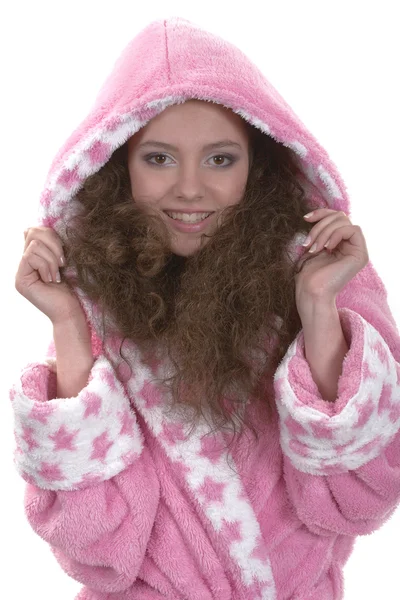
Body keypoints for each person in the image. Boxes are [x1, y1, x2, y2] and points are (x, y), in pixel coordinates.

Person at [10, 16, 400, 600]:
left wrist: (318, 307)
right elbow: (97, 552)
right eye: (159, 159)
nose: (190, 189)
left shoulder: (320, 276)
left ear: (260, 165)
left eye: (220, 159)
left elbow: (360, 501)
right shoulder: (97, 301)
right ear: (118, 163)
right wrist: (68, 320)